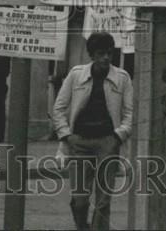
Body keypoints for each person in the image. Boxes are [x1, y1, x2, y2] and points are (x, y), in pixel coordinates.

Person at [52, 31, 133, 231]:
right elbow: (59, 108)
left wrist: (118, 136)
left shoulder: (122, 78)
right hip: (79, 142)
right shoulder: (76, 74)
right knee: (80, 199)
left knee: (104, 200)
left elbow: (130, 113)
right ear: (92, 55)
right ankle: (82, 226)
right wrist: (66, 136)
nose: (106, 57)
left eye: (109, 53)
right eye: (100, 53)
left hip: (107, 141)